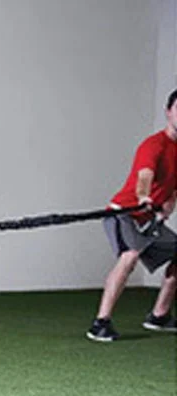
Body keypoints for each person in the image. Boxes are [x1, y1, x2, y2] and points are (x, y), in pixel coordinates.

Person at [86, 89, 177, 342]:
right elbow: (144, 175)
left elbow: (172, 186)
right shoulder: (154, 144)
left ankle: (159, 315)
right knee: (130, 256)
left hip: (148, 219)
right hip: (122, 214)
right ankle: (100, 323)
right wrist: (143, 197)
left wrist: (168, 204)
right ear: (169, 112)